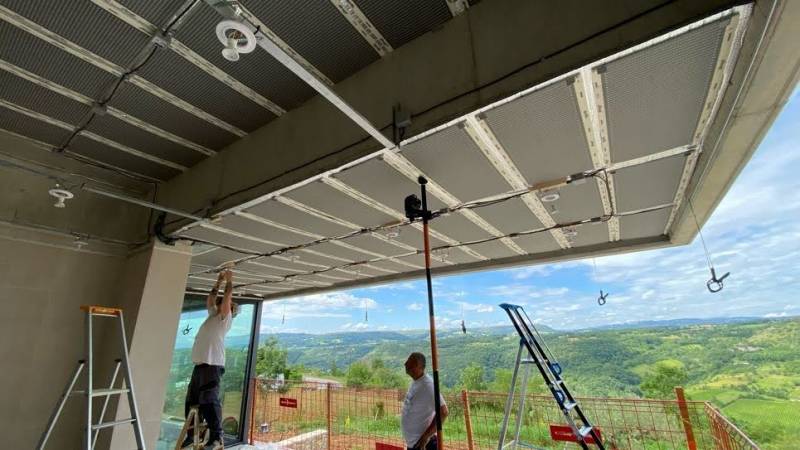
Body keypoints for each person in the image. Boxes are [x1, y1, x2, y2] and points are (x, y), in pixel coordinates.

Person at [182, 270, 238, 450]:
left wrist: (229, 280)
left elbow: (227, 297)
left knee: (209, 400)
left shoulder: (224, 319)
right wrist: (218, 281)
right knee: (192, 402)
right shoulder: (212, 315)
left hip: (212, 365)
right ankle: (192, 435)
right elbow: (210, 299)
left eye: (226, 305)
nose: (222, 305)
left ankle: (215, 437)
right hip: (199, 366)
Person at [401, 352, 449, 450]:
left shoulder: (428, 385)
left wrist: (426, 436)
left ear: (418, 366)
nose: (405, 364)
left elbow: (443, 412)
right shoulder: (417, 381)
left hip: (423, 444)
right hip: (414, 444)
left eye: (409, 362)